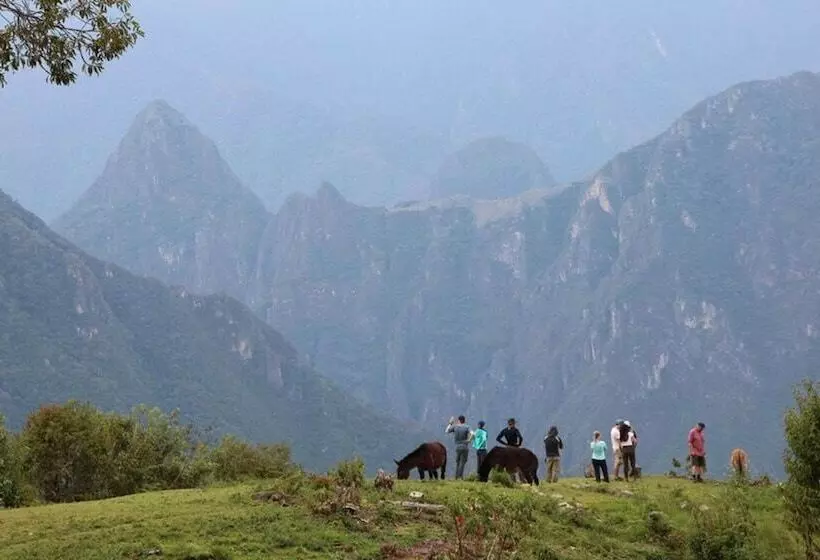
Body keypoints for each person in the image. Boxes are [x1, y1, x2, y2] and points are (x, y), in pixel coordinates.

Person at [445, 415, 472, 479]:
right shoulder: (467, 427)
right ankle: (460, 477)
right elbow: (473, 433)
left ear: (459, 420)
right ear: (464, 420)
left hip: (458, 446)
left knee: (458, 462)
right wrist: (469, 440)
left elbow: (446, 431)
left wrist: (450, 423)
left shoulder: (455, 427)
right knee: (462, 462)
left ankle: (456, 477)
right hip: (465, 446)